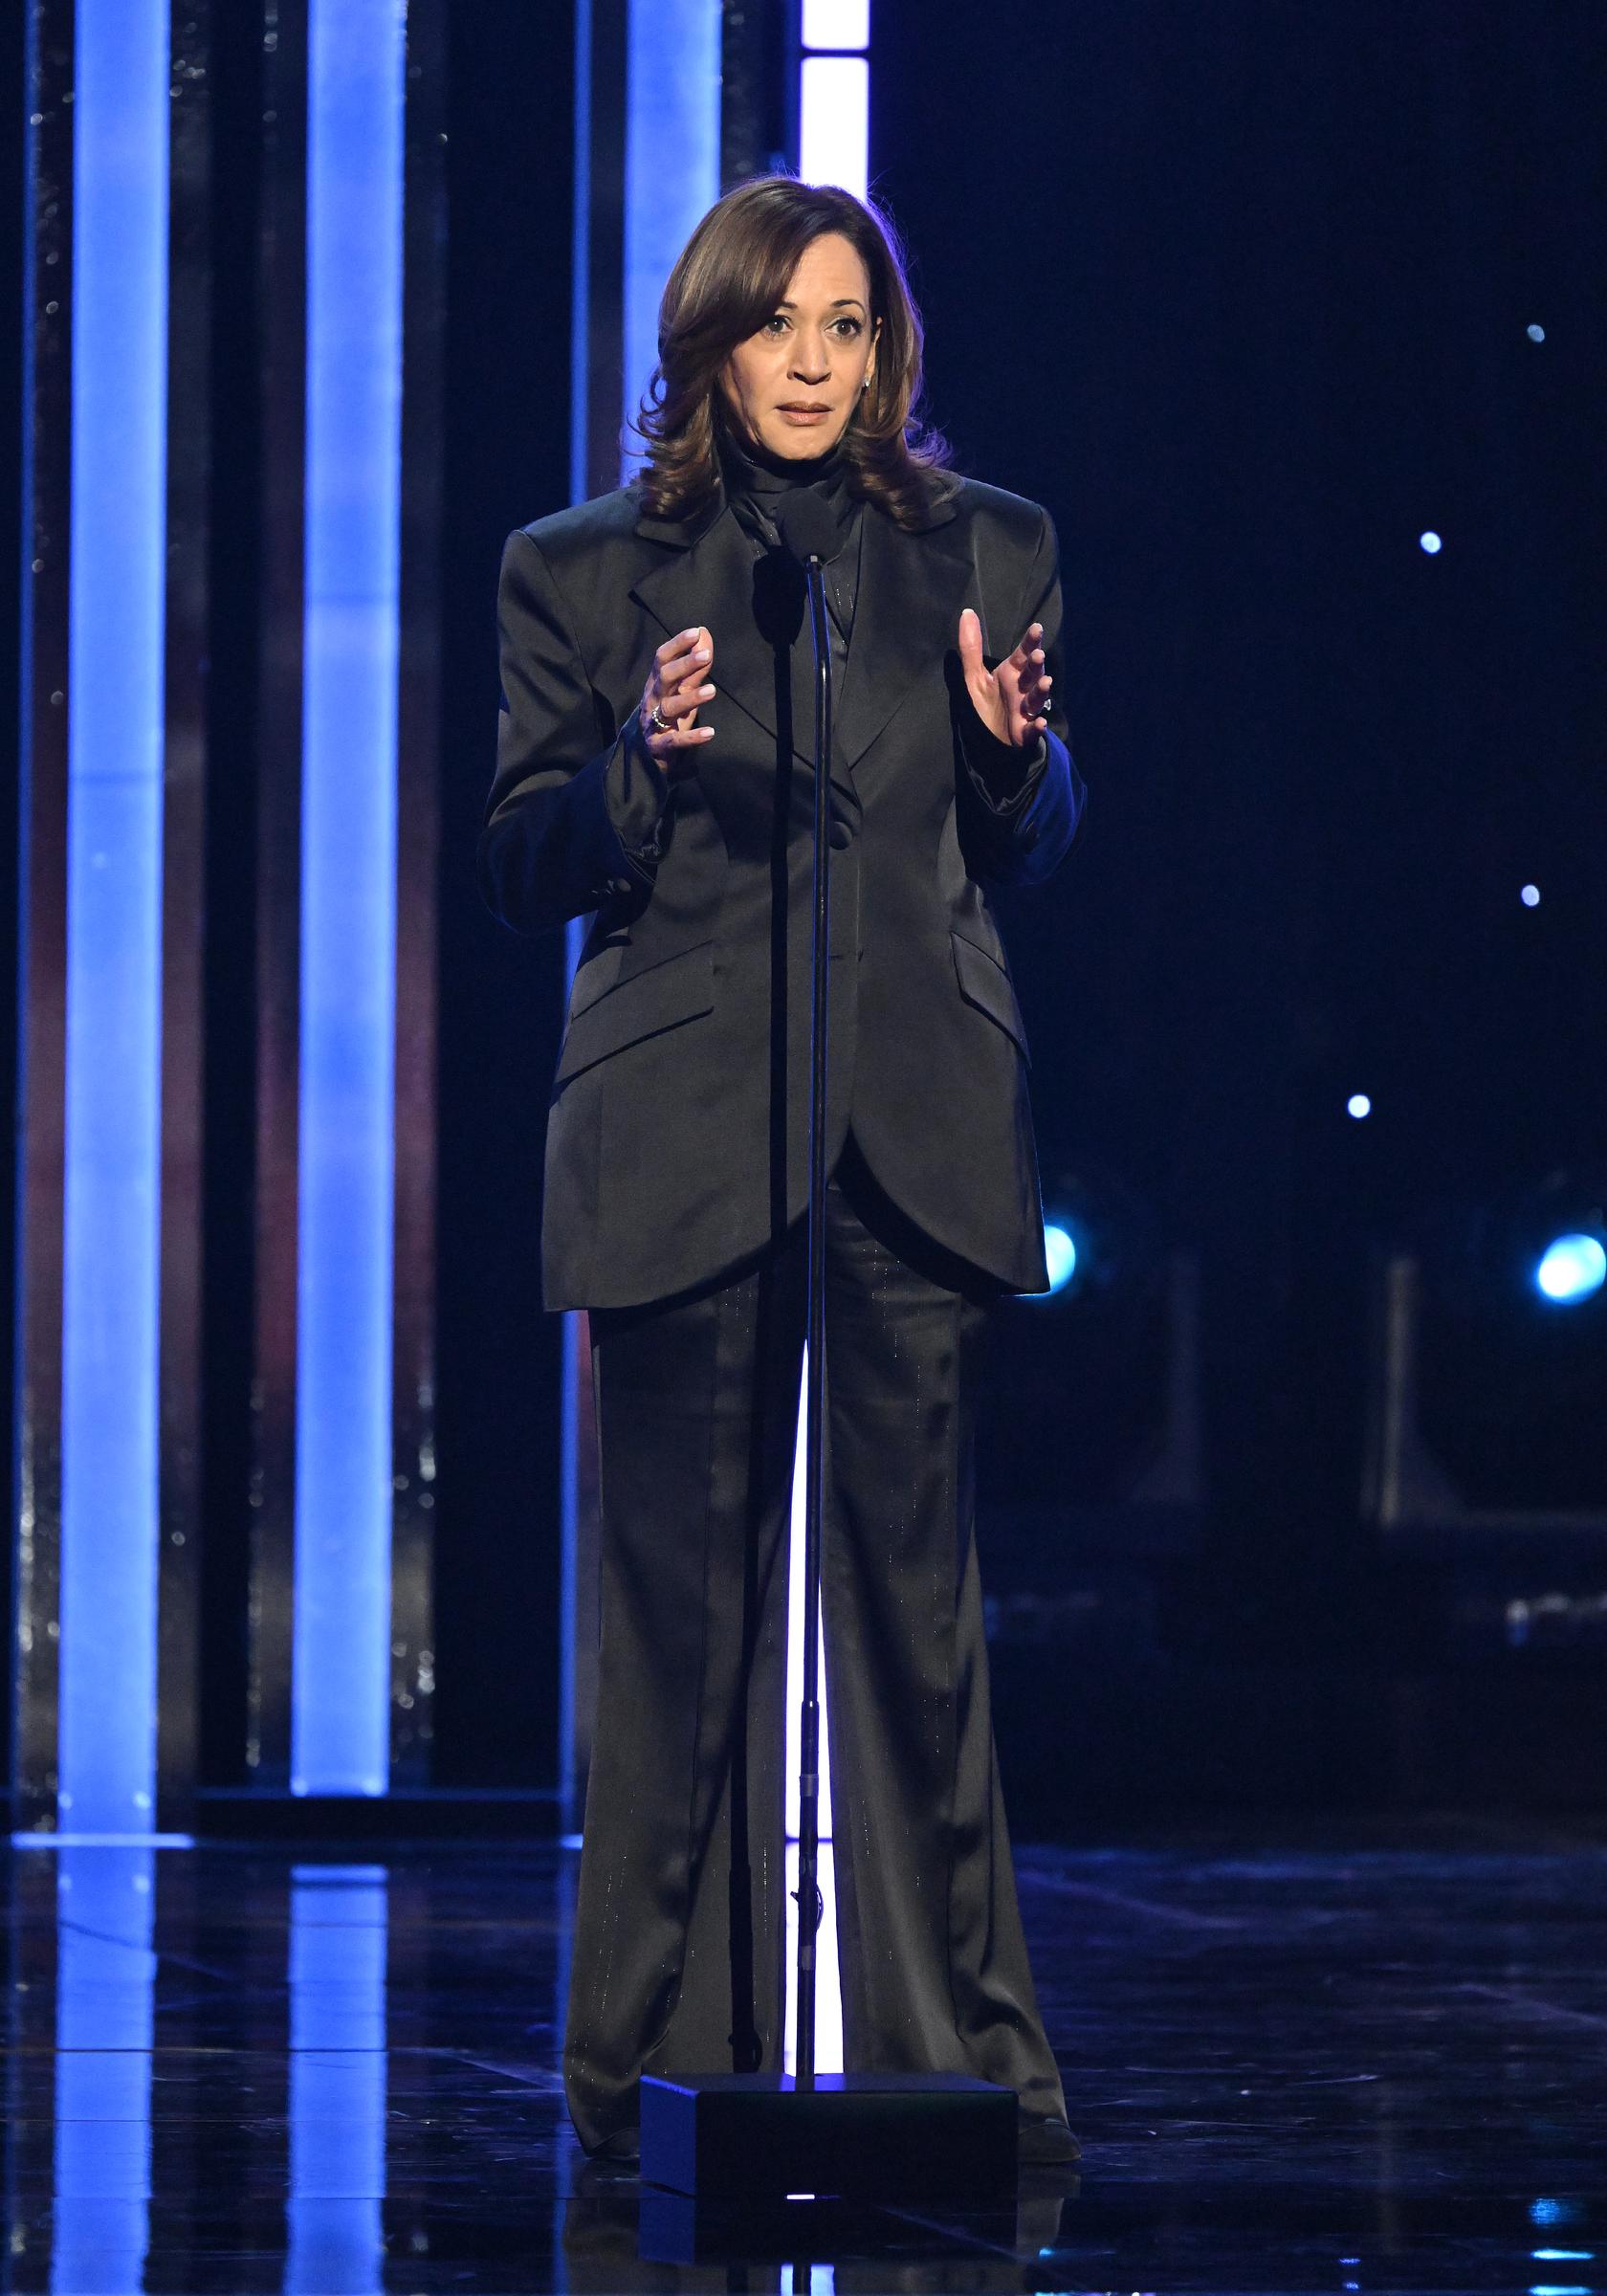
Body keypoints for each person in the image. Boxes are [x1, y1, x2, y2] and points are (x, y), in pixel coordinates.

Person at [478, 175, 1086, 2167]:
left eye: (848, 326)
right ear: (710, 347)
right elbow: (522, 861)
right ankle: (652, 2074)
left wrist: (1013, 755)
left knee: (915, 1618)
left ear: (889, 351)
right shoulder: (583, 571)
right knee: (680, 1632)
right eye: (776, 326)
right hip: (684, 1133)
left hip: (909, 1129)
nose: (813, 363)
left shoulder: (992, 549)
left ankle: (972, 2079)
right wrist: (632, 777)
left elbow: (1023, 830)